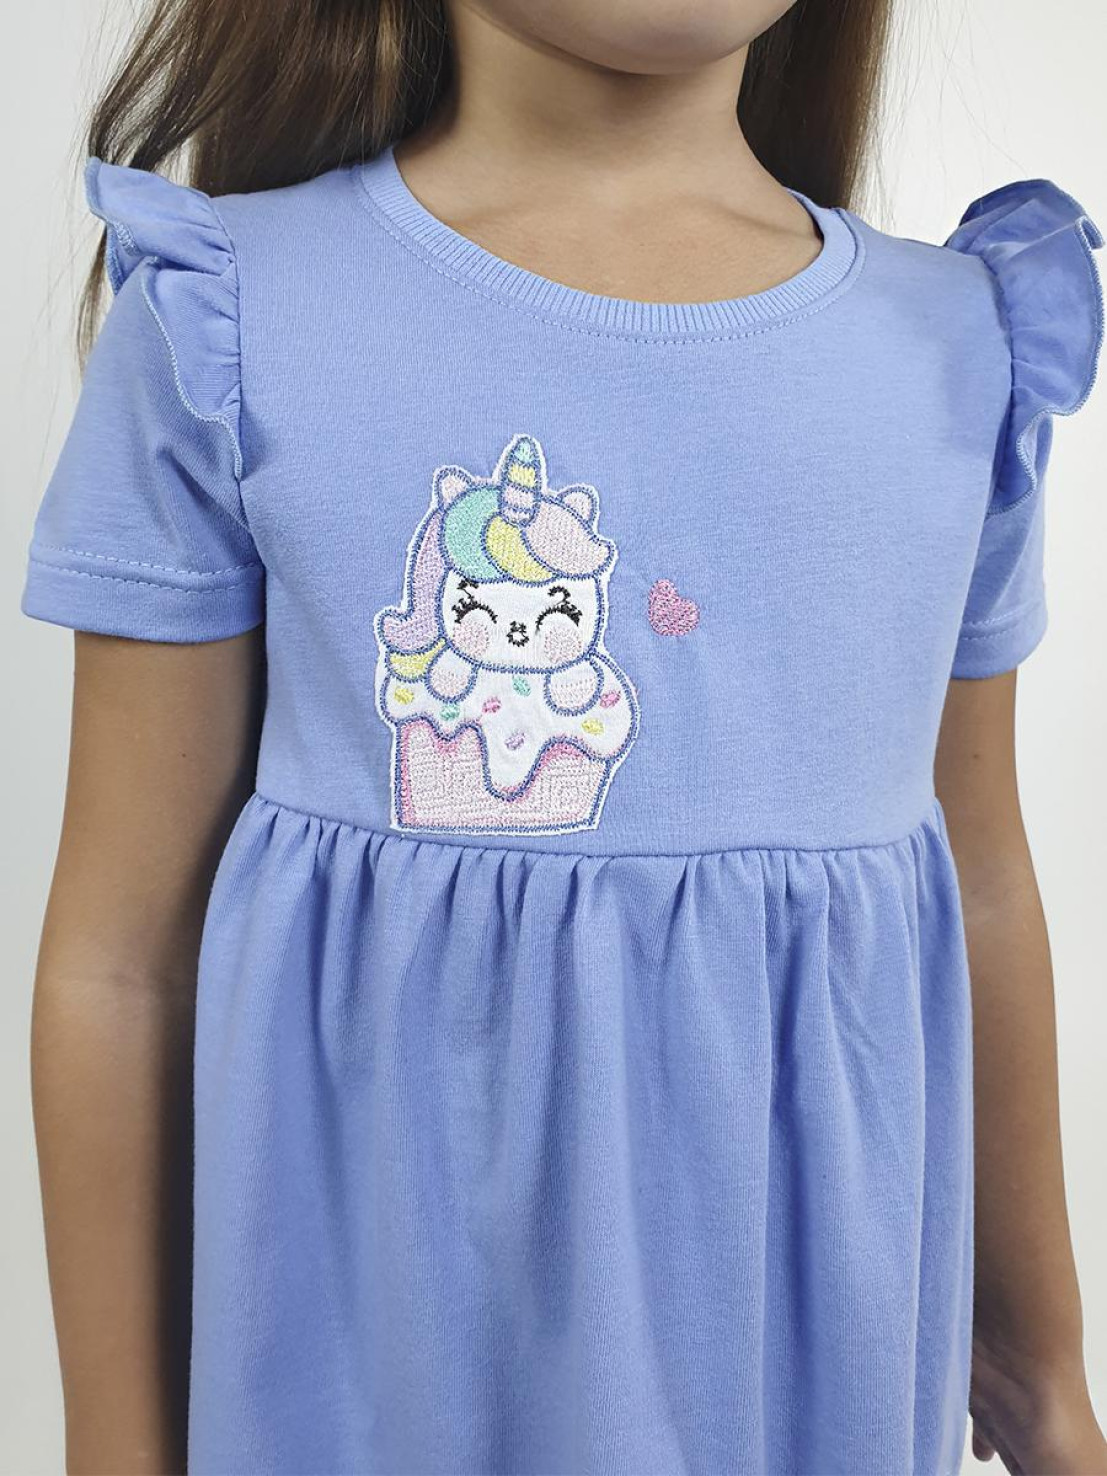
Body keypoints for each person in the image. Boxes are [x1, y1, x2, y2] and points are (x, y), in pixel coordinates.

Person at [21, 1, 1107, 1472]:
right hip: (372, 1382)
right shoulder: (233, 315)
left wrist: (1041, 1372)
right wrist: (114, 1444)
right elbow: (122, 958)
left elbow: (978, 887)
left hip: (803, 1385)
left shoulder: (955, 345)